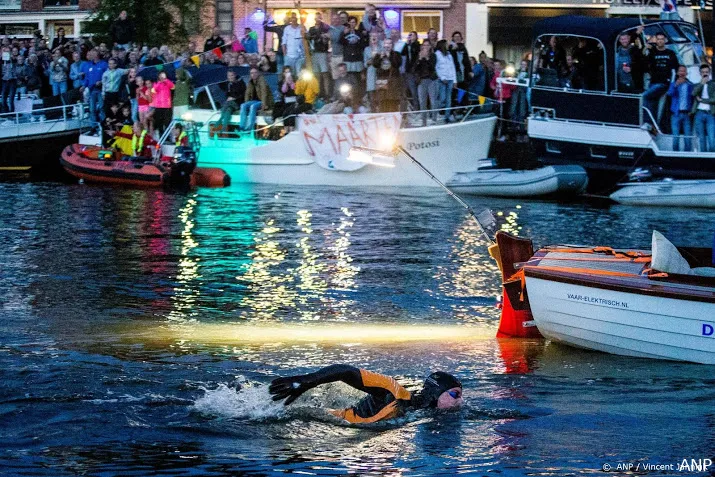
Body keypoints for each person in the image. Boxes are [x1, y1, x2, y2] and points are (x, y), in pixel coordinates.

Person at [269, 364, 463, 424]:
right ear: (437, 392)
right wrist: (305, 381)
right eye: (455, 395)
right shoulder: (392, 392)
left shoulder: (422, 411)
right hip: (331, 421)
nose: (460, 401)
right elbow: (346, 371)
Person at [643, 32, 678, 124]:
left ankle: (647, 122)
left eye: (662, 39)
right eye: (658, 39)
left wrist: (672, 84)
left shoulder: (671, 53)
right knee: (652, 104)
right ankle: (653, 125)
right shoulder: (652, 53)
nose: (660, 41)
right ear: (656, 40)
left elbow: (675, 69)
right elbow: (646, 66)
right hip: (653, 82)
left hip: (664, 83)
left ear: (665, 40)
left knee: (645, 97)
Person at [667, 65, 694, 151]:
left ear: (686, 73)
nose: (682, 73)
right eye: (680, 71)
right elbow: (669, 94)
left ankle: (688, 155)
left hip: (686, 114)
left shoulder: (690, 85)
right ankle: (674, 154)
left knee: (687, 137)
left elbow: (693, 98)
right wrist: (676, 85)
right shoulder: (673, 84)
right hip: (676, 114)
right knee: (676, 136)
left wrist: (691, 111)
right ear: (678, 73)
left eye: (684, 71)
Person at [241, 67, 274, 131]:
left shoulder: (262, 80)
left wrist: (263, 105)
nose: (253, 74)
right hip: (254, 101)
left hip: (264, 101)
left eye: (255, 72)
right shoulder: (250, 81)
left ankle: (249, 128)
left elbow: (264, 93)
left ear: (258, 73)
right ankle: (241, 127)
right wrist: (246, 103)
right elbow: (247, 93)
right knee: (243, 105)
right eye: (252, 73)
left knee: (253, 106)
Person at [308, 12, 332, 99]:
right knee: (317, 75)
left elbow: (329, 36)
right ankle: (317, 94)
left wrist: (325, 36)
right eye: (316, 18)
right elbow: (308, 40)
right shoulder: (311, 29)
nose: (318, 19)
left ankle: (327, 94)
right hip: (314, 53)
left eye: (319, 18)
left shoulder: (325, 27)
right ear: (314, 19)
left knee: (325, 74)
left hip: (323, 53)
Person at [692, 63, 715, 152]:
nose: (705, 74)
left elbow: (714, 99)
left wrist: (701, 100)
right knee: (701, 138)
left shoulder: (713, 84)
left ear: (709, 73)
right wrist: (702, 84)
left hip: (710, 113)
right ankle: (704, 158)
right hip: (699, 113)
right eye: (703, 72)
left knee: (711, 137)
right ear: (700, 73)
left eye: (706, 72)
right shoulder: (697, 85)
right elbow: (693, 93)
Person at [415, 42, 438, 125]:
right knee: (422, 101)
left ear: (430, 47)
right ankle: (423, 121)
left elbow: (433, 67)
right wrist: (420, 59)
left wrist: (427, 58)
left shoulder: (433, 56)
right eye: (424, 45)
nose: (426, 47)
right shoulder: (419, 55)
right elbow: (415, 69)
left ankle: (434, 119)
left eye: (427, 45)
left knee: (433, 100)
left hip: (431, 80)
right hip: (422, 80)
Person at [83, 49, 108, 122]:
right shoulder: (89, 65)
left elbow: (107, 76)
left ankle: (104, 125)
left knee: (102, 107)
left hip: (100, 89)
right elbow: (87, 77)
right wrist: (84, 85)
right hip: (92, 89)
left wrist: (101, 81)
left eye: (92, 54)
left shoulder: (103, 64)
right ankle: (93, 126)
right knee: (92, 109)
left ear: (96, 55)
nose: (91, 55)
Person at [435, 39, 456, 122]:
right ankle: (436, 112)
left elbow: (452, 67)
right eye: (446, 44)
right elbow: (436, 68)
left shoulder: (449, 55)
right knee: (442, 98)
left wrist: (455, 80)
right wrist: (442, 77)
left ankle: (447, 116)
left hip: (450, 79)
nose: (448, 46)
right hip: (442, 80)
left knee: (449, 99)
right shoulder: (437, 54)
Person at [402, 31, 421, 110]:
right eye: (410, 35)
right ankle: (407, 107)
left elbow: (416, 54)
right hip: (407, 70)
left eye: (412, 35)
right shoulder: (407, 45)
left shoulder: (417, 45)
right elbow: (403, 53)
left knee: (413, 90)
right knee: (405, 90)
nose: (411, 37)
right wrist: (407, 43)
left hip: (414, 71)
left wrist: (411, 44)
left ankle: (416, 107)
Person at [151, 71, 174, 135]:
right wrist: (159, 83)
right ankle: (161, 135)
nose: (162, 77)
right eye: (161, 76)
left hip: (167, 106)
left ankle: (167, 136)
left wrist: (166, 81)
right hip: (159, 106)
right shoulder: (156, 83)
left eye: (164, 75)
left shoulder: (168, 82)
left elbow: (173, 87)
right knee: (159, 122)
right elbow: (153, 90)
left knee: (167, 122)